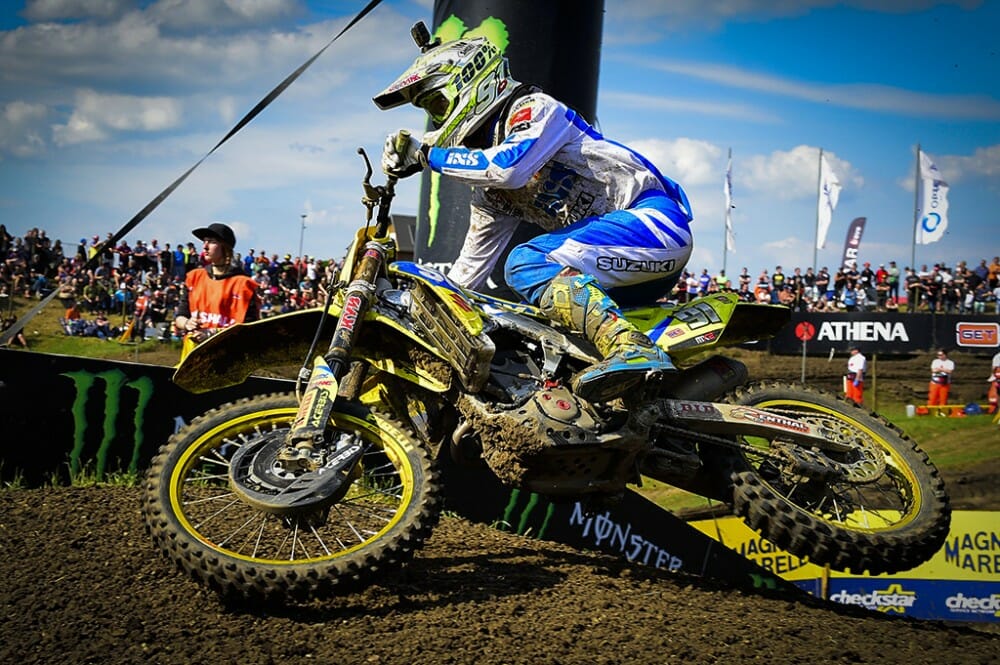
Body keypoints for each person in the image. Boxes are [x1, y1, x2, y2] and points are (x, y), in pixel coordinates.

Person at [374, 31, 693, 401]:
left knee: (526, 261)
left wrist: (427, 155)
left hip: (654, 225)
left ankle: (630, 346)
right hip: (615, 272)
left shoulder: (534, 109)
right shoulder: (491, 193)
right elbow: (467, 275)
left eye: (437, 104)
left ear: (470, 81)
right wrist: (413, 306)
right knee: (535, 321)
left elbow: (508, 167)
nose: (435, 119)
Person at [172, 223, 260, 348]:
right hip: (192, 353)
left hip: (227, 352)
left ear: (225, 247)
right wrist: (187, 323)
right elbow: (180, 316)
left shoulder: (243, 284)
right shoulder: (194, 277)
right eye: (204, 241)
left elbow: (250, 329)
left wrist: (212, 334)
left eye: (212, 242)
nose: (205, 246)